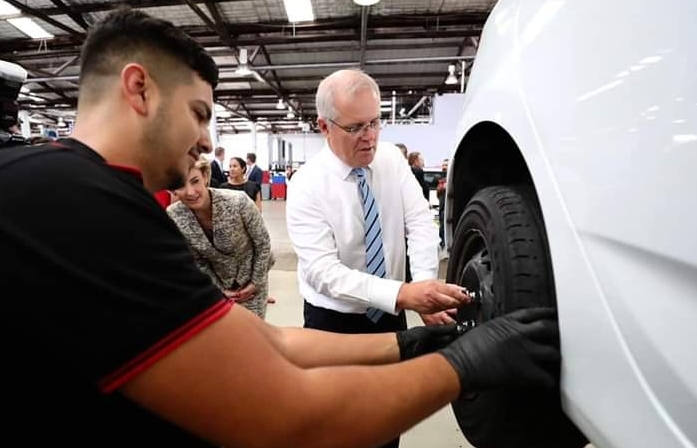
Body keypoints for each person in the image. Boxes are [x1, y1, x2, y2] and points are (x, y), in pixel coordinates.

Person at [0, 8, 561, 446]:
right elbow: (291, 418)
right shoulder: (83, 205)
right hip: (337, 313)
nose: (206, 142)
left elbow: (270, 342)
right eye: (199, 113)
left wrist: (408, 341)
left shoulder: (73, 189)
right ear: (139, 88)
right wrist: (463, 364)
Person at [286, 68, 463, 448]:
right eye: (355, 128)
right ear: (324, 126)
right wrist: (404, 293)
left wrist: (425, 287)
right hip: (332, 324)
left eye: (375, 122)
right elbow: (323, 273)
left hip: (389, 316)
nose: (370, 137)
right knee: (333, 424)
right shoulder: (305, 185)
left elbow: (419, 222)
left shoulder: (390, 161)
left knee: (385, 419)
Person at [168, 155, 272, 319]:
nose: (190, 192)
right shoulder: (174, 215)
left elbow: (263, 244)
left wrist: (255, 283)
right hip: (217, 290)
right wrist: (218, 290)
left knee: (252, 338)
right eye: (180, 185)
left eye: (195, 181)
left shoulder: (238, 202)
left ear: (205, 177)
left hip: (252, 285)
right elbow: (196, 260)